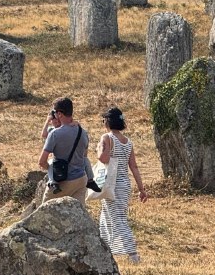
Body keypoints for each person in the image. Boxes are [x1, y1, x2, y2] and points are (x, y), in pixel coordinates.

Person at [97, 107, 148, 263]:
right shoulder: (128, 142)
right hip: (124, 184)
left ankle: (133, 254)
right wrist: (141, 189)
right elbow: (134, 167)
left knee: (118, 219)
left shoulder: (107, 138)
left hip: (111, 183)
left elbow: (102, 158)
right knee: (106, 217)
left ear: (107, 121)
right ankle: (105, 250)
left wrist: (99, 148)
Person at [38, 97, 90, 206]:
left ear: (60, 114)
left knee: (45, 212)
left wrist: (50, 168)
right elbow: (84, 156)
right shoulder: (83, 132)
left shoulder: (55, 134)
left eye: (54, 112)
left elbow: (42, 162)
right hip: (81, 179)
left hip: (62, 181)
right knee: (78, 213)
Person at [41, 108, 100, 192]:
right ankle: (53, 182)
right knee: (51, 163)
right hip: (59, 161)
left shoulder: (67, 129)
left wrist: (75, 123)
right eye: (53, 119)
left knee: (85, 160)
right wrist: (47, 121)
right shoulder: (52, 131)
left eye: (56, 119)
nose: (55, 121)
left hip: (71, 159)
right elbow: (44, 135)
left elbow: (77, 129)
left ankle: (91, 180)